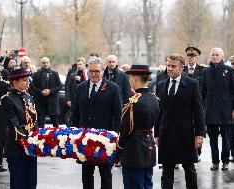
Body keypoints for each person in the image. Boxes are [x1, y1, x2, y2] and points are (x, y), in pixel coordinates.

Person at [155, 53, 206, 189]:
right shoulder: (161, 85)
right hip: (166, 133)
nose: (170, 69)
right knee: (167, 170)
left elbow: (198, 111)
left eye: (173, 66)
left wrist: (199, 135)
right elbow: (159, 112)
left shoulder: (191, 84)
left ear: (181, 68)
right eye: (168, 66)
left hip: (186, 134)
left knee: (189, 168)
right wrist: (156, 134)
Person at [71, 56, 122, 189]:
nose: (93, 74)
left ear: (103, 70)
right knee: (86, 175)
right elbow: (75, 112)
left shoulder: (113, 88)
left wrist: (115, 136)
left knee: (105, 175)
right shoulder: (81, 87)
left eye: (97, 71)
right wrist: (75, 133)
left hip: (105, 139)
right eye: (91, 71)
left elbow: (118, 114)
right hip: (84, 138)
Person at [116, 65, 160, 189]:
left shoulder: (134, 101)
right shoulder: (154, 99)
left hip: (133, 150)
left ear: (135, 77)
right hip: (149, 148)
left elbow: (126, 129)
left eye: (130, 77)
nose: (129, 80)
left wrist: (118, 148)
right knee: (147, 184)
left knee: (133, 185)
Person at [202, 48, 234, 171]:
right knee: (212, 139)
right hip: (211, 109)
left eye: (217, 55)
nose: (215, 57)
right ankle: (215, 162)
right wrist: (203, 108)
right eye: (213, 55)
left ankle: (225, 161)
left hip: (226, 109)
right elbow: (204, 91)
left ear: (222, 56)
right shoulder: (206, 71)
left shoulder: (229, 70)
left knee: (226, 138)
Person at [0, 68, 37, 189]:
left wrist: (38, 137)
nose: (27, 83)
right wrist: (28, 138)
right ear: (14, 82)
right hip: (17, 148)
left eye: (28, 80)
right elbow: (13, 124)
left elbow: (34, 120)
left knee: (31, 182)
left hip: (31, 147)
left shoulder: (29, 97)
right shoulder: (8, 99)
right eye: (24, 80)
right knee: (18, 182)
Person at [183, 47, 207, 162]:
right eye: (189, 57)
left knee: (198, 126)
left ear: (196, 58)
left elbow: (205, 88)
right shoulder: (182, 70)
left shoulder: (202, 70)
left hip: (198, 103)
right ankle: (188, 151)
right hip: (186, 104)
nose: (190, 59)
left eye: (192, 57)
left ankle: (197, 151)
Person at [31, 57, 62, 128]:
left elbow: (59, 86)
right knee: (41, 123)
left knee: (55, 123)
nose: (45, 64)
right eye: (43, 63)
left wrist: (50, 91)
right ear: (41, 64)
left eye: (47, 62)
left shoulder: (55, 74)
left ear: (49, 63)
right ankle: (41, 137)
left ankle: (58, 137)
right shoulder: (36, 74)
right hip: (41, 102)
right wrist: (41, 91)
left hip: (52, 102)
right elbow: (33, 87)